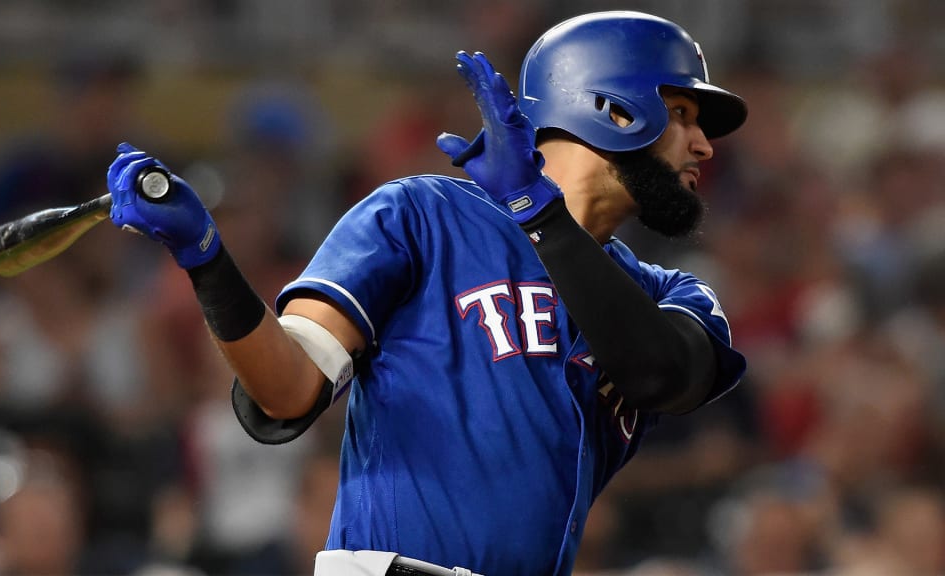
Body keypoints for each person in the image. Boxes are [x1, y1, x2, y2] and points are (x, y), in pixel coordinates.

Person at [105, 10, 748, 576]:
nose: (704, 145)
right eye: (683, 114)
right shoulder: (420, 215)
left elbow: (660, 374)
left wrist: (537, 212)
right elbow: (287, 392)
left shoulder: (670, 296)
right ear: (614, 110)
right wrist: (208, 260)